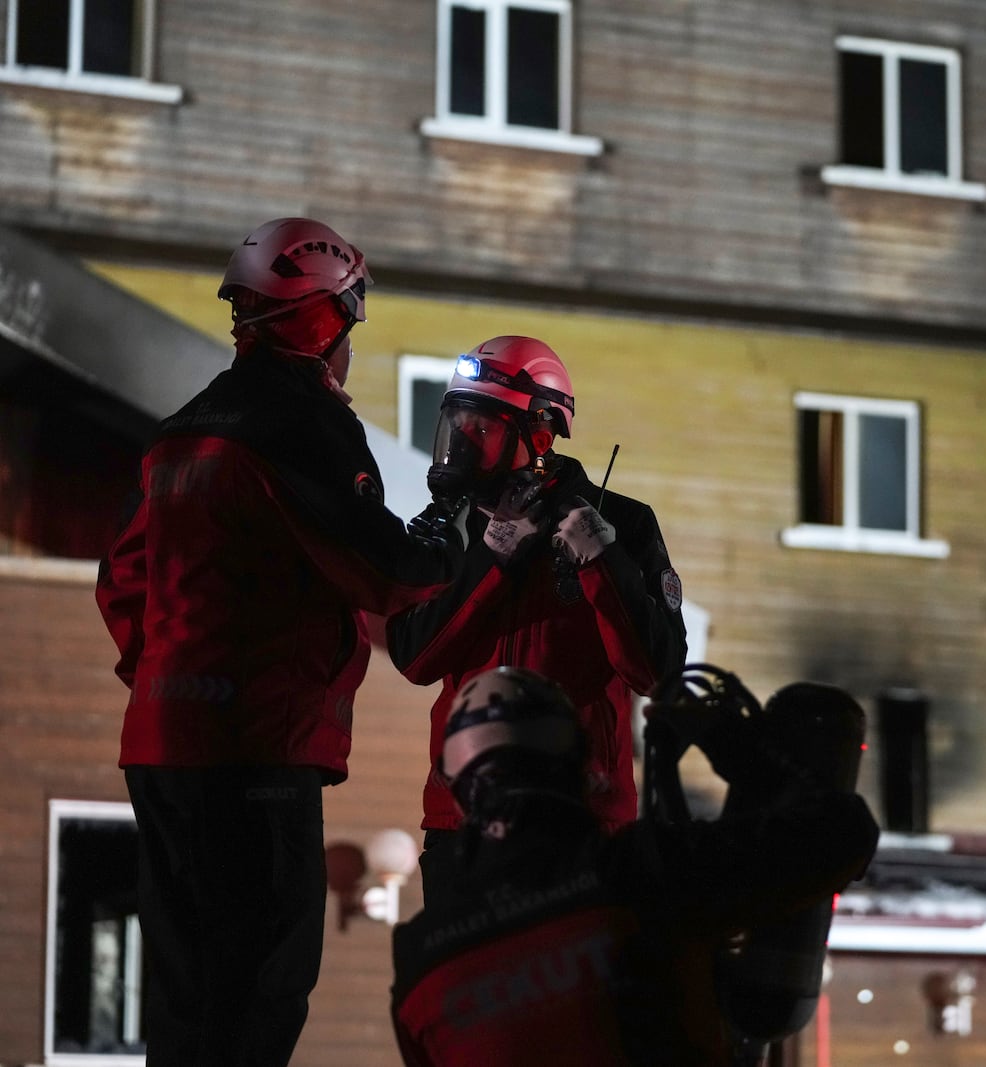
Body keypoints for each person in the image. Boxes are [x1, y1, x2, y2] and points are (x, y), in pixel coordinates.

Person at [95, 216, 472, 1067]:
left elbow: (120, 580)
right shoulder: (302, 423)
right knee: (265, 982)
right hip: (257, 747)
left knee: (187, 993)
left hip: (161, 748)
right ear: (327, 318)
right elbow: (387, 572)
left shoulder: (181, 429)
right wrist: (447, 526)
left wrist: (163, 677)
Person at [389, 665, 880, 1066]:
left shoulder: (419, 958)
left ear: (456, 789)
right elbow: (842, 835)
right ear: (580, 769)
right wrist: (745, 756)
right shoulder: (641, 872)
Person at [386, 335, 687, 900]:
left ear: (540, 434)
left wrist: (603, 561)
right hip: (465, 824)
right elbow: (416, 658)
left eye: (482, 428)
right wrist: (491, 559)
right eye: (457, 422)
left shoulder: (624, 522)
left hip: (583, 822)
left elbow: (657, 672)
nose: (460, 443)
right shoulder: (448, 525)